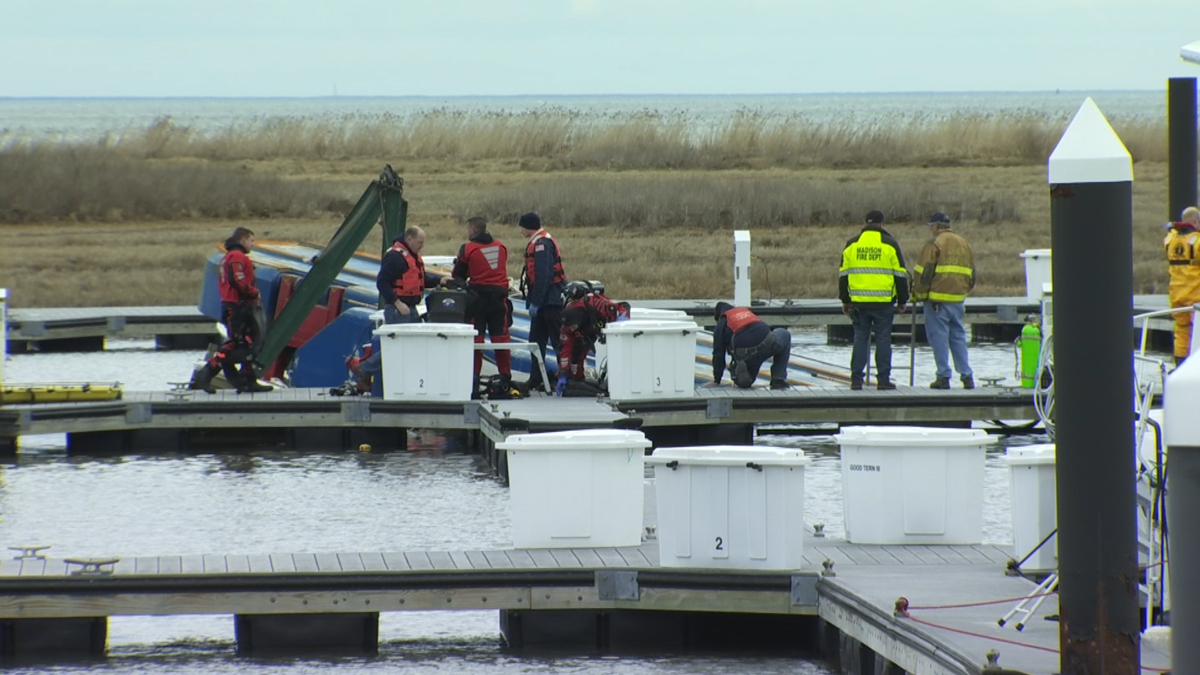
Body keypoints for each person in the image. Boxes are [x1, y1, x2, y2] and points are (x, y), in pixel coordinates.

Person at [349, 226, 447, 391]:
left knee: (415, 344)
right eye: (420, 242)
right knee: (397, 346)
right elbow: (382, 283)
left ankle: (372, 371)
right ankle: (364, 368)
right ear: (409, 239)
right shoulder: (395, 257)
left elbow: (419, 280)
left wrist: (440, 281)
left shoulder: (412, 257)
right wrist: (397, 303)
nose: (422, 246)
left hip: (411, 308)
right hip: (398, 309)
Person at [190, 227, 273, 393]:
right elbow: (236, 279)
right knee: (235, 344)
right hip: (237, 306)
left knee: (247, 342)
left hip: (238, 305)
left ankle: (248, 380)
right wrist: (253, 292)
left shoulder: (230, 256)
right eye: (251, 240)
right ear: (242, 240)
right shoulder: (237, 256)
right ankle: (208, 372)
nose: (252, 244)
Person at [839, 210, 909, 390]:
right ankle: (883, 380)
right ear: (881, 224)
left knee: (860, 339)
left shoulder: (852, 244)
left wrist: (845, 300)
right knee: (883, 340)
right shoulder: (890, 244)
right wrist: (903, 300)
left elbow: (843, 275)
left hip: (859, 303)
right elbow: (900, 276)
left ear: (865, 223)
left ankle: (856, 380)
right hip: (884, 303)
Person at [911, 212, 976, 389]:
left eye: (931, 227)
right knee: (958, 337)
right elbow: (972, 274)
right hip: (958, 299)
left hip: (937, 300)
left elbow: (923, 272)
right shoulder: (964, 243)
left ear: (936, 227)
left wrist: (918, 294)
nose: (931, 230)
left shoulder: (934, 243)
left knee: (938, 338)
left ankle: (943, 376)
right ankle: (967, 376)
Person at [453, 216, 513, 393]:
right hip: (500, 300)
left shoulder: (468, 249)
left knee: (475, 339)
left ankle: (474, 379)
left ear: (472, 229)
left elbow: (458, 275)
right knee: (501, 338)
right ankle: (505, 378)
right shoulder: (501, 247)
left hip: (477, 299)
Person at [518, 212, 567, 391]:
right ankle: (536, 378)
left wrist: (536, 302)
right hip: (543, 300)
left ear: (527, 227)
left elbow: (544, 276)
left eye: (522, 227)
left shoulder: (542, 245)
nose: (520, 230)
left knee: (557, 340)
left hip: (551, 301)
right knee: (536, 341)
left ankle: (565, 378)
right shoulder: (538, 241)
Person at [556, 284, 630, 396]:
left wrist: (622, 320)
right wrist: (563, 373)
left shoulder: (595, 304)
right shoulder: (567, 326)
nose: (570, 329)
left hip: (598, 325)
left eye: (572, 326)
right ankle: (577, 381)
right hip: (585, 332)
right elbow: (565, 350)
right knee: (575, 356)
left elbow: (622, 307)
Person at [708, 302, 792, 390]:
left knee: (747, 380)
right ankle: (778, 379)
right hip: (766, 341)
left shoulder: (722, 323)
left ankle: (742, 379)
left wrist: (717, 380)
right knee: (785, 334)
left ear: (719, 315)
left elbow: (718, 354)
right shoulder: (746, 312)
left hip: (746, 353)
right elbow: (761, 326)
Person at [1165, 206, 1200, 365]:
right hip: (1195, 296)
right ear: (1195, 221)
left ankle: (1180, 363)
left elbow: (1171, 232)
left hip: (1177, 296)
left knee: (1181, 330)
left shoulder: (1171, 240)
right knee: (1196, 330)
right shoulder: (1197, 241)